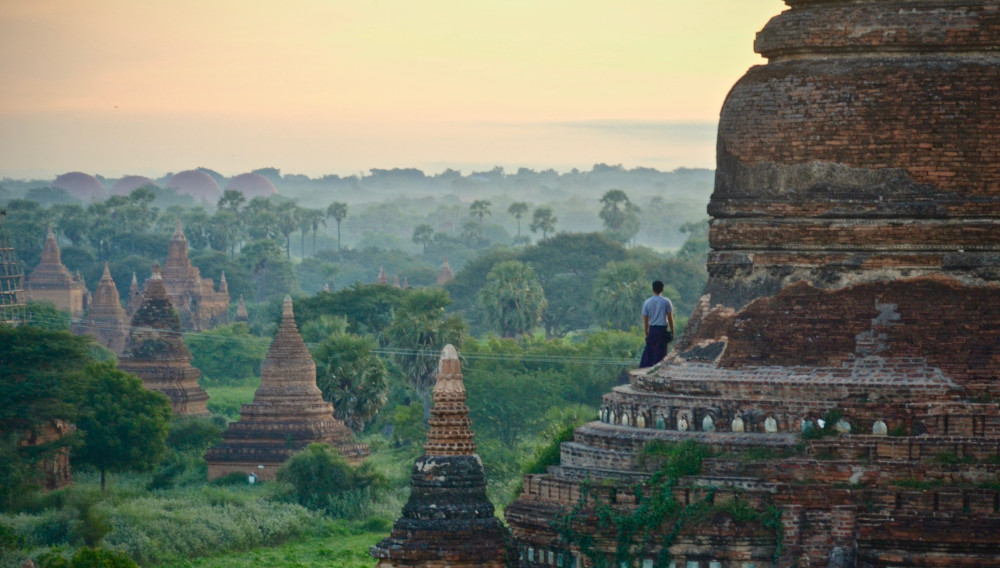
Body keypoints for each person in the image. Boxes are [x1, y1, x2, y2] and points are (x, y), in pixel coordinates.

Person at [639, 280, 674, 368]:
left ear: (653, 289)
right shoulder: (666, 302)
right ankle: (659, 369)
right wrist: (672, 331)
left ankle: (647, 370)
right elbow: (670, 318)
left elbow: (646, 320)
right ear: (662, 289)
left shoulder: (647, 302)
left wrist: (647, 333)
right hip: (662, 330)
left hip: (652, 329)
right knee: (661, 352)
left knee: (650, 352)